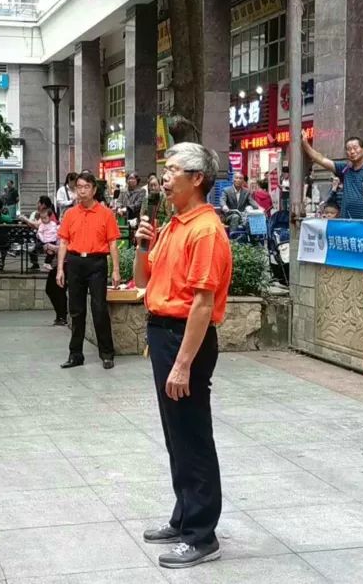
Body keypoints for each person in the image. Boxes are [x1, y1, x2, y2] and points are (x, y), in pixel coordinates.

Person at [133, 142, 232, 569]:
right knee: (176, 435)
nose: (164, 177)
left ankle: (201, 534)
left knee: (192, 436)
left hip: (184, 339)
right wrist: (140, 245)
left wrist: (183, 363)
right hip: (163, 333)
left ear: (197, 179)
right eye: (165, 169)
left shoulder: (206, 230)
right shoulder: (175, 225)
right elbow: (143, 280)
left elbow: (203, 304)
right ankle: (183, 516)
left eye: (172, 170)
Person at [56, 171, 121, 370]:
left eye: (86, 187)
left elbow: (112, 244)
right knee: (76, 311)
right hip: (75, 262)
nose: (82, 191)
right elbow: (64, 242)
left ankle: (107, 353)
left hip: (96, 264)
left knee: (99, 308)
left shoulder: (105, 213)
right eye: (79, 187)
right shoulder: (70, 214)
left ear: (94, 190)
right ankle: (76, 354)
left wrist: (116, 270)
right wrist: (60, 268)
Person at [302, 131, 363, 219]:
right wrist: (305, 144)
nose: (352, 151)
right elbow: (321, 159)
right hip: (346, 221)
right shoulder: (345, 168)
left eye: (355, 148)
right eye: (349, 149)